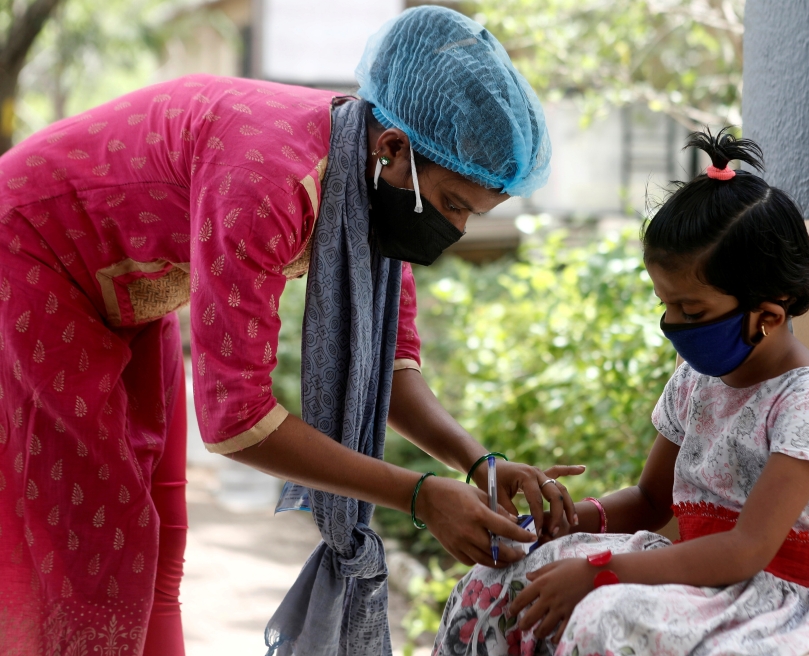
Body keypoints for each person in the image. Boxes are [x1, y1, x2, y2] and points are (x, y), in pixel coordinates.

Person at [0, 6, 581, 655]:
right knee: (91, 542)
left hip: (133, 289)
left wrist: (479, 464)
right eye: (451, 205)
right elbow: (235, 420)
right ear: (393, 149)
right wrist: (418, 495)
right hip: (32, 259)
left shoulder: (370, 187)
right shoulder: (268, 180)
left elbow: (392, 369)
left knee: (159, 536)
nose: (457, 231)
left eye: (472, 214)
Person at [432, 129, 809, 656]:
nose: (672, 324)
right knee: (502, 577)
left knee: (605, 616)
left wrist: (602, 571)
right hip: (695, 573)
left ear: (768, 316)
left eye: (691, 312)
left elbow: (746, 550)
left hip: (774, 593)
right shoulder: (697, 381)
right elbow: (649, 500)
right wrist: (566, 523)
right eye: (665, 306)